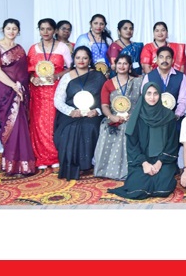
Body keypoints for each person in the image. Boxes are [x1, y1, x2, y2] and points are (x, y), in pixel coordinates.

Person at [107, 82, 179, 199]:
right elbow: (132, 145)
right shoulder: (136, 116)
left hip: (163, 160)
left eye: (155, 94)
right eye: (148, 93)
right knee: (137, 190)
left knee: (163, 189)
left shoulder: (168, 116)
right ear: (143, 95)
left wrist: (159, 162)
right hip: (141, 160)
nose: (152, 97)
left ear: (160, 95)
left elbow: (172, 143)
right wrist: (144, 163)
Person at [0, 18, 36, 176]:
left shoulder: (20, 49)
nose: (11, 31)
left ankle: (24, 164)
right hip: (4, 91)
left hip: (21, 91)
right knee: (9, 126)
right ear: (3, 29)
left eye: (14, 28)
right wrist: (13, 86)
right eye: (8, 28)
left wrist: (22, 87)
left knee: (21, 125)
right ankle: (11, 164)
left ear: (18, 31)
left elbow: (24, 71)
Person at [53, 46, 106, 180]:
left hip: (92, 113)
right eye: (78, 58)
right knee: (69, 129)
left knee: (90, 126)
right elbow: (58, 100)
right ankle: (71, 165)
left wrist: (97, 111)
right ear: (73, 59)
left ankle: (88, 164)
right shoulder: (67, 77)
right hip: (71, 113)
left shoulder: (98, 76)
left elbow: (105, 99)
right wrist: (71, 112)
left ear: (90, 60)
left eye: (85, 58)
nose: (81, 60)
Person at [27, 18, 72, 169]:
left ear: (55, 31)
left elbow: (70, 68)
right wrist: (32, 79)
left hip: (55, 89)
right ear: (39, 30)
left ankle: (54, 155)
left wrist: (57, 76)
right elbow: (29, 71)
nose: (45, 32)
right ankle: (41, 157)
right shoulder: (33, 49)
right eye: (42, 29)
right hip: (38, 90)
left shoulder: (62, 47)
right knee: (39, 123)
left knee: (53, 122)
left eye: (49, 29)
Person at [94, 55, 143, 180]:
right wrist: (111, 116)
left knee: (128, 128)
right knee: (107, 128)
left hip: (133, 117)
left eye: (125, 63)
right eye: (119, 63)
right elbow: (104, 105)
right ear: (115, 66)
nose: (122, 66)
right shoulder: (108, 84)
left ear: (130, 67)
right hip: (113, 117)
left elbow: (142, 103)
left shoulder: (138, 82)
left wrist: (134, 116)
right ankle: (107, 170)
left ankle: (130, 170)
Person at [142, 46, 186, 125]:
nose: (164, 60)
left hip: (174, 120)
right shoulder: (149, 77)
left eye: (168, 57)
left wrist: (176, 115)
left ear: (173, 60)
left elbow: (183, 100)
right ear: (157, 60)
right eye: (161, 57)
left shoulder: (181, 77)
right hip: (153, 120)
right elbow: (144, 98)